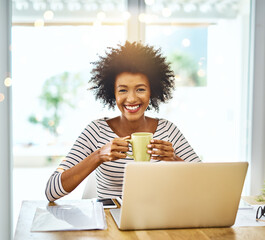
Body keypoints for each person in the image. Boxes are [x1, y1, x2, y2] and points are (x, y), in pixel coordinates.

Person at [45, 41, 201, 202]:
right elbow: (51, 191)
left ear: (152, 91)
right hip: (109, 223)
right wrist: (98, 155)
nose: (132, 98)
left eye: (140, 89)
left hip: (158, 222)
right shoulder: (96, 131)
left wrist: (175, 160)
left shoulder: (168, 130)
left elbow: (206, 183)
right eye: (123, 90)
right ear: (112, 93)